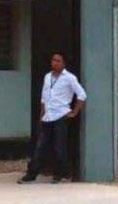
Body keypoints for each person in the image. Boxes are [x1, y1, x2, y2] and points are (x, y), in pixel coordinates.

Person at [19, 52, 86, 184]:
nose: (55, 63)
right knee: (40, 147)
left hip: (60, 115)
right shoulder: (47, 77)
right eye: (53, 60)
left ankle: (60, 174)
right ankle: (31, 175)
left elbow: (82, 95)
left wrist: (74, 112)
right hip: (47, 117)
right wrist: (41, 114)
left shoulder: (70, 78)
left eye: (58, 61)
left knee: (59, 147)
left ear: (63, 63)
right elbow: (44, 98)